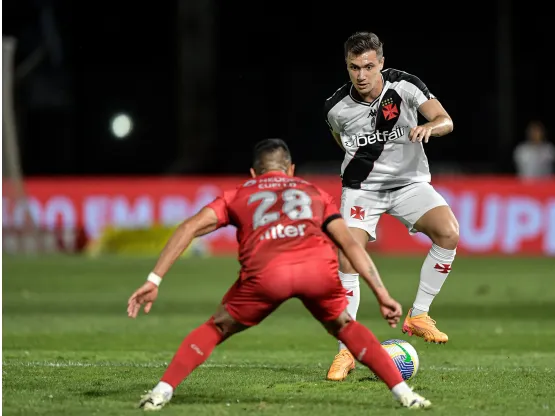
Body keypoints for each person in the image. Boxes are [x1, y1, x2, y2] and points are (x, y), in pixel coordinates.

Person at [127, 139, 433, 410]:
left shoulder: (237, 194)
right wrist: (382, 294)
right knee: (345, 326)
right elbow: (350, 246)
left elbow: (189, 227)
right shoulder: (313, 192)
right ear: (291, 170)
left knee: (217, 327)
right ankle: (405, 395)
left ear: (252, 173)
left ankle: (161, 392)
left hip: (265, 275)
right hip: (316, 272)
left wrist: (154, 280)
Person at [323, 31, 460, 381]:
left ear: (381, 63)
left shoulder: (405, 86)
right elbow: (342, 141)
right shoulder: (335, 107)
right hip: (362, 189)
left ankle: (419, 314)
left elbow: (446, 120)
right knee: (347, 256)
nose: (362, 75)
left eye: (369, 66)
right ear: (347, 67)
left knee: (448, 232)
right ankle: (345, 352)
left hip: (409, 183)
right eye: (354, 67)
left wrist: (431, 127)